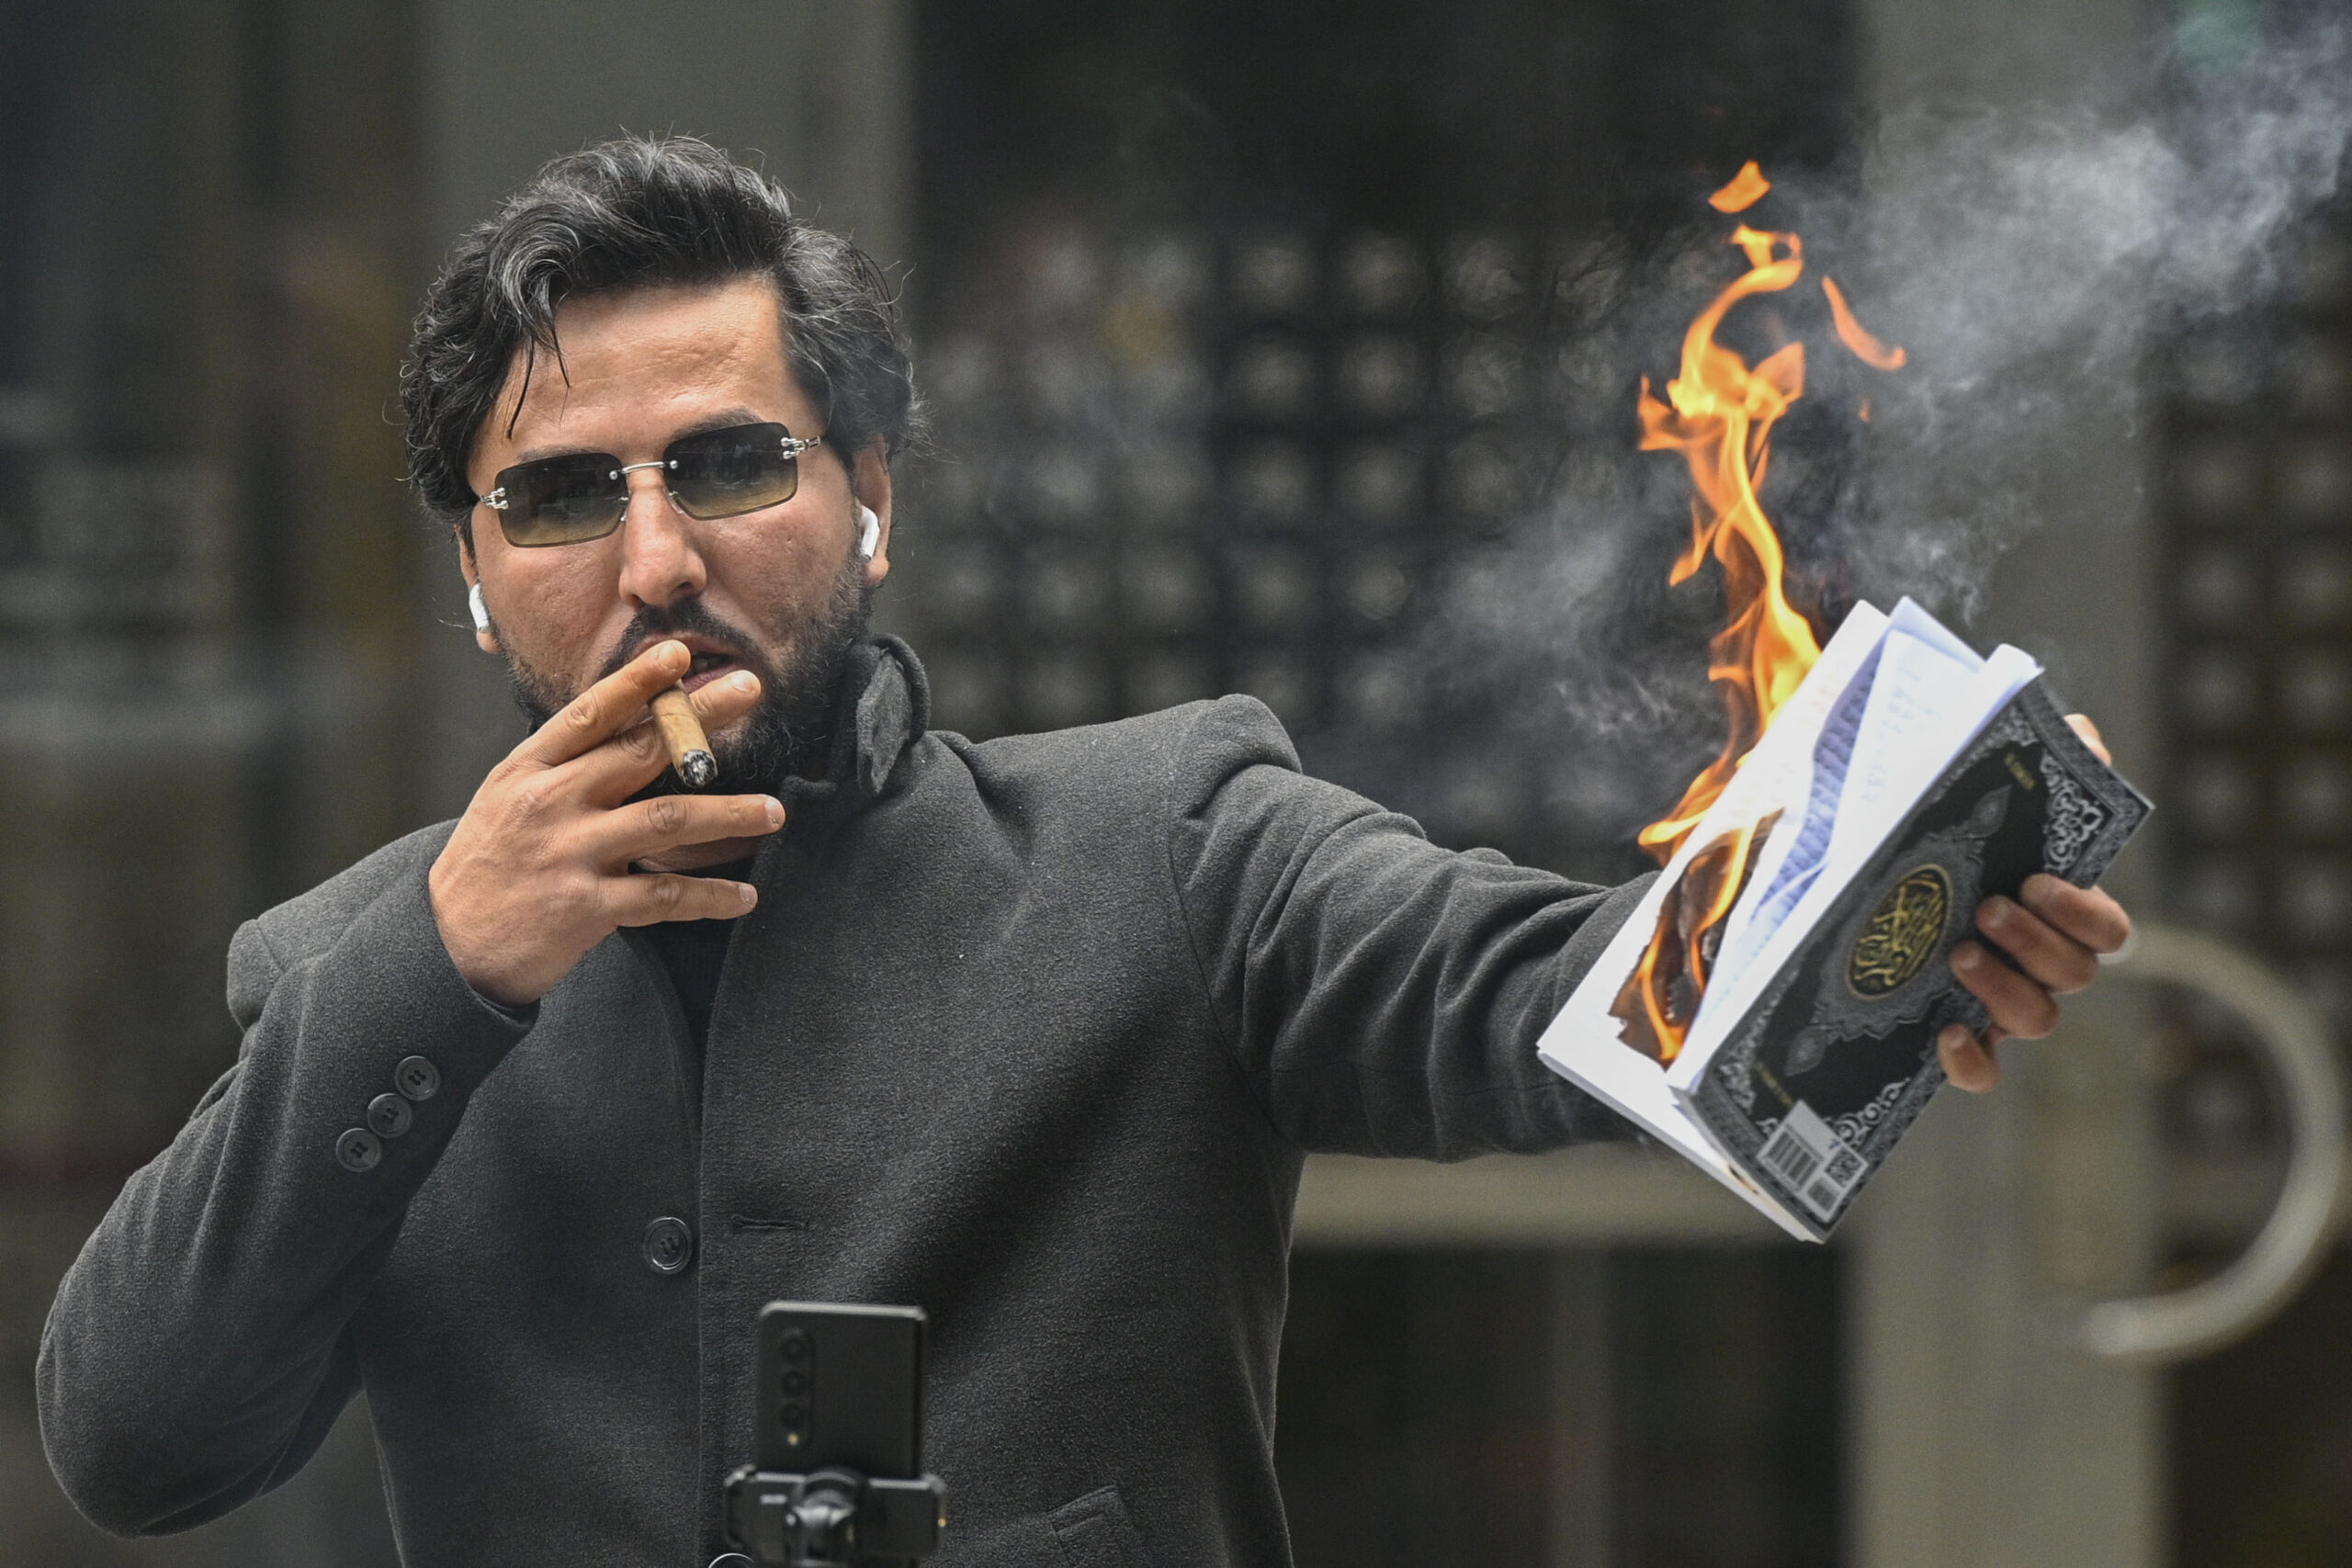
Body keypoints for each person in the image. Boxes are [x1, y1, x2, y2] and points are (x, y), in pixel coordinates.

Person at [37, 138, 2132, 1568]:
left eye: (733, 461)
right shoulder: (349, 969)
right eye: (564, 496)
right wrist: (445, 961)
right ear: (478, 583)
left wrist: (1887, 892)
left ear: (872, 497)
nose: (657, 555)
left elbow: (1546, 994)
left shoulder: (1168, 844)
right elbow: (135, 1441)